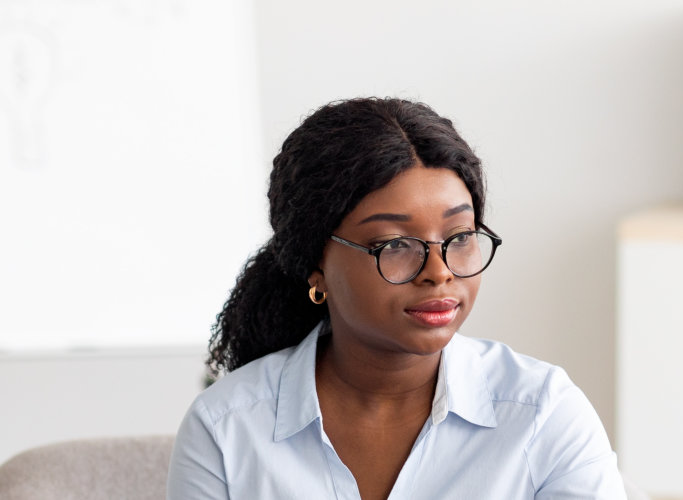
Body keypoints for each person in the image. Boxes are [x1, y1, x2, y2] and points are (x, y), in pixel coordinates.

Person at [168, 97, 625, 499]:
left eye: (460, 236)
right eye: (394, 245)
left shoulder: (541, 412)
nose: (439, 272)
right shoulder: (226, 428)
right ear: (317, 265)